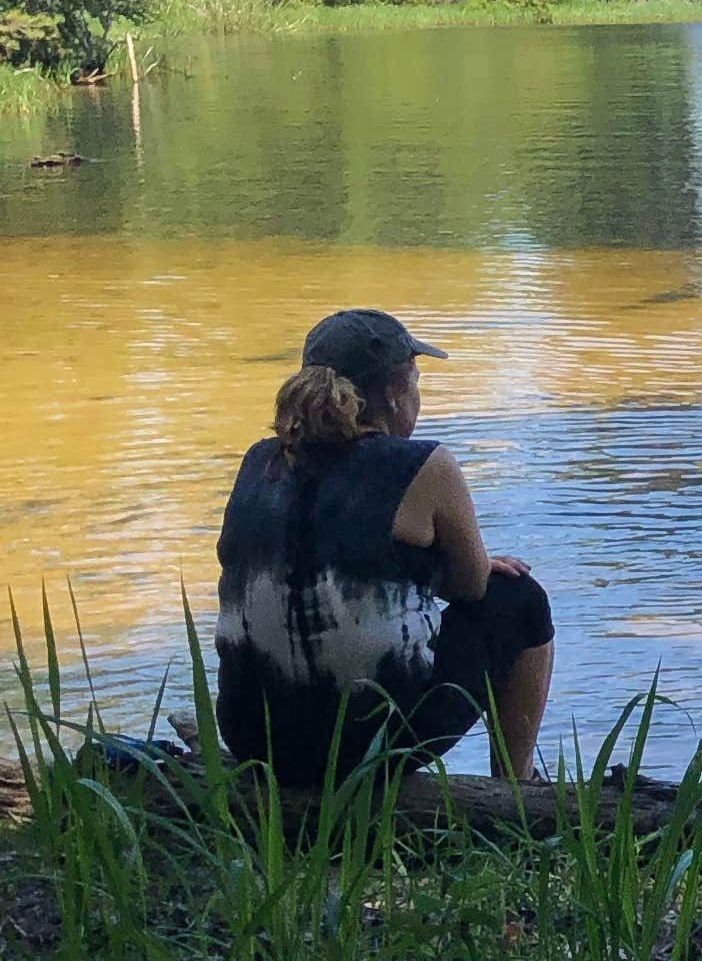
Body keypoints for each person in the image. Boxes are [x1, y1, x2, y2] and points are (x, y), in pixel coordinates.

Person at [213, 307, 555, 791]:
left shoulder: (258, 461)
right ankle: (516, 790)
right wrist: (453, 567)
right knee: (519, 598)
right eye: (416, 384)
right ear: (395, 393)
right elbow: (471, 586)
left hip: (255, 737)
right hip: (371, 746)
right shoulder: (425, 464)